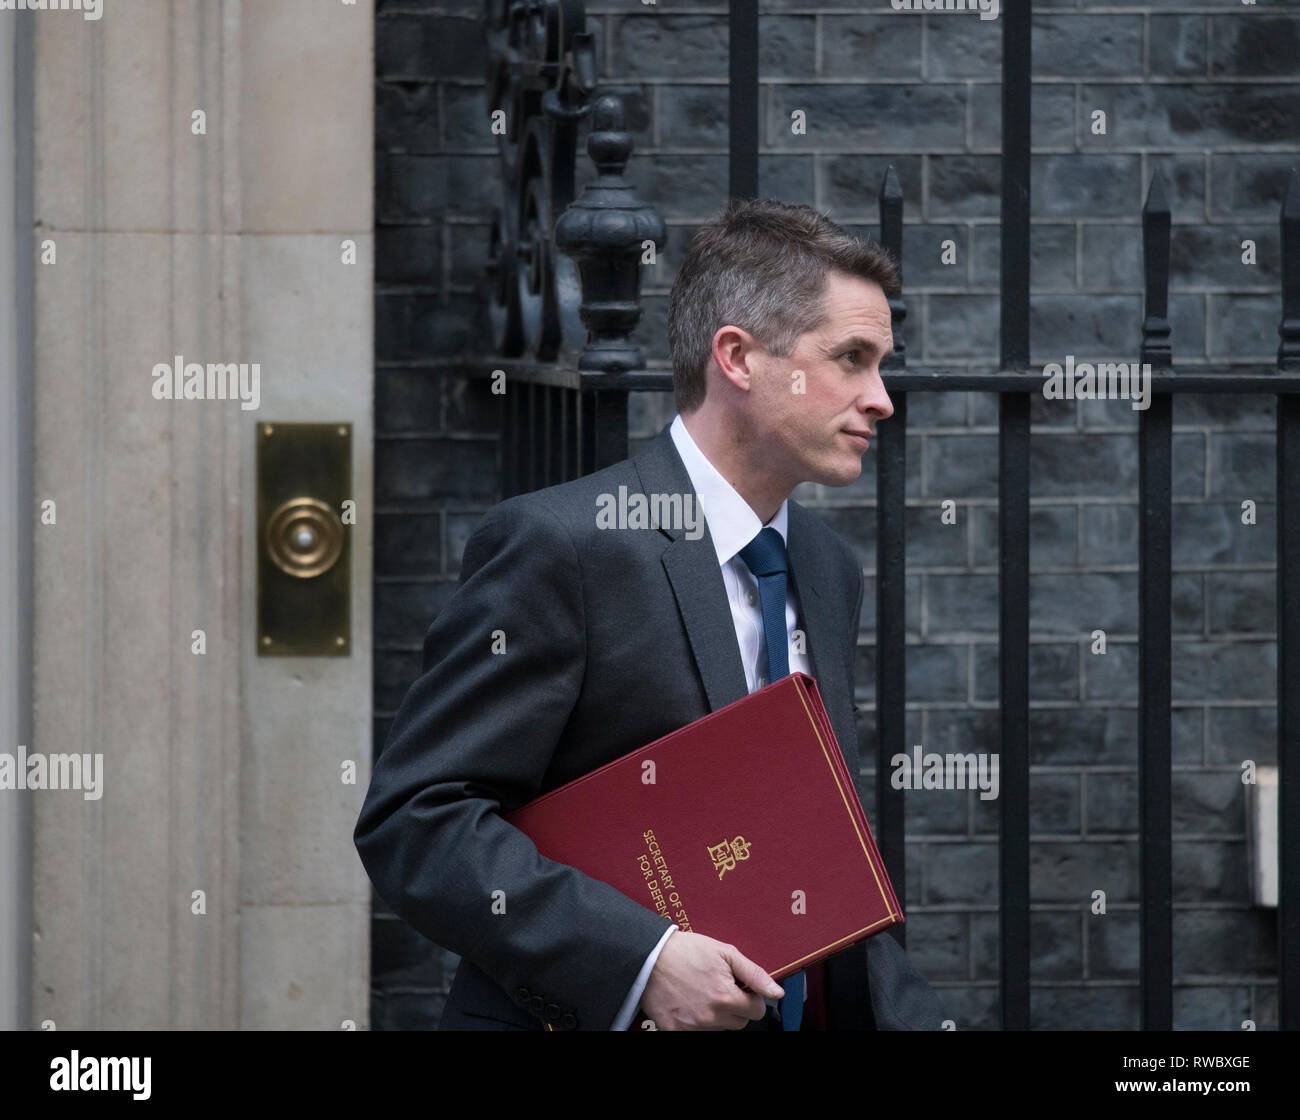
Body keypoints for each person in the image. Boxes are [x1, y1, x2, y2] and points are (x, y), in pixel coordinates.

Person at [354, 197, 945, 1031]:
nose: (881, 397)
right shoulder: (564, 546)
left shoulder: (826, 567)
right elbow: (418, 824)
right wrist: (641, 961)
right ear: (737, 357)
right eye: (851, 358)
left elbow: (811, 857)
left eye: (880, 363)